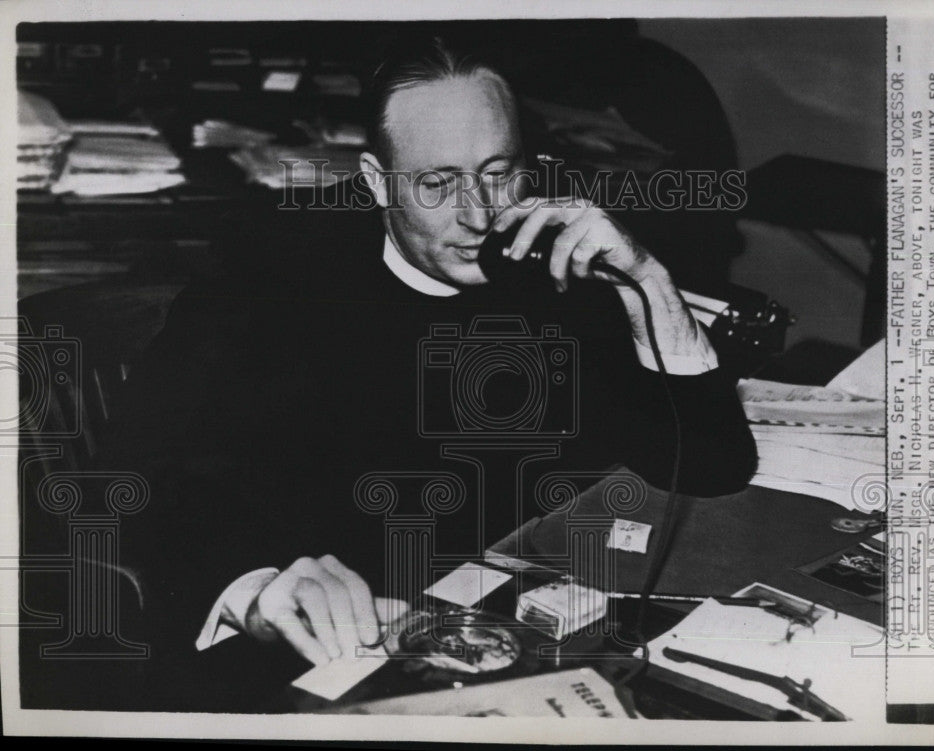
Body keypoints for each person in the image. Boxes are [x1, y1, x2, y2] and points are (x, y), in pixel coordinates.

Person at [102, 35, 756, 710]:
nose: (478, 214)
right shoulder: (268, 276)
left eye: (499, 172)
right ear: (378, 180)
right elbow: (133, 472)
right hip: (321, 661)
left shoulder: (548, 266)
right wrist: (255, 587)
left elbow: (712, 467)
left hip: (507, 637)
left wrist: (645, 279)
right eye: (438, 183)